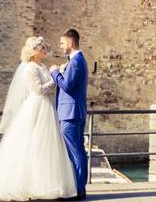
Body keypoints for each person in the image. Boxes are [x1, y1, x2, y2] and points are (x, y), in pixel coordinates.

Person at [0, 37, 76, 201]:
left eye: (44, 48)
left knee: (45, 146)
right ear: (34, 51)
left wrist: (55, 75)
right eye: (42, 48)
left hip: (47, 107)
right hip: (36, 106)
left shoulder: (42, 66)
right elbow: (38, 90)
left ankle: (43, 184)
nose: (45, 50)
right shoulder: (30, 68)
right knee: (30, 144)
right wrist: (56, 77)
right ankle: (26, 185)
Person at [51, 28, 89, 200]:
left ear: (70, 43)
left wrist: (55, 73)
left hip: (70, 114)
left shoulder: (75, 62)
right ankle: (77, 188)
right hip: (74, 112)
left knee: (75, 152)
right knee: (77, 150)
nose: (60, 46)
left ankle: (78, 190)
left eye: (62, 43)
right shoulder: (77, 61)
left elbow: (67, 86)